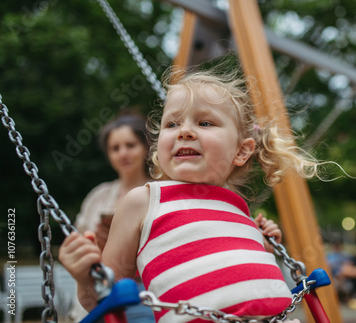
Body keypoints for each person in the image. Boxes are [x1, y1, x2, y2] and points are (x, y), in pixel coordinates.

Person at [58, 67, 328, 323]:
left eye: (205, 122)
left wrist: (265, 247)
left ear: (242, 151)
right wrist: (85, 277)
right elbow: (104, 296)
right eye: (172, 124)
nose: (185, 131)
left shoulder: (239, 210)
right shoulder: (145, 200)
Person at [68, 111, 155, 322]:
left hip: (144, 294)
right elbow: (77, 240)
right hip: (99, 291)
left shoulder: (157, 191)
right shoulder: (99, 196)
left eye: (130, 145)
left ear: (145, 147)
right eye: (115, 148)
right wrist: (95, 241)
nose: (123, 153)